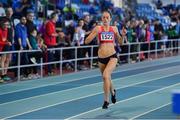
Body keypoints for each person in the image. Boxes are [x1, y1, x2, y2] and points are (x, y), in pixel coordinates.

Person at [84, 10, 123, 109]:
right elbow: (86, 41)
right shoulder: (98, 28)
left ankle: (106, 101)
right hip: (101, 58)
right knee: (107, 78)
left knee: (106, 75)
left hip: (112, 56)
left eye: (107, 17)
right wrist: (92, 34)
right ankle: (113, 91)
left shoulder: (114, 29)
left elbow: (121, 42)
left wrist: (122, 35)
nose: (105, 19)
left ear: (110, 19)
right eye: (103, 17)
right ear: (101, 19)